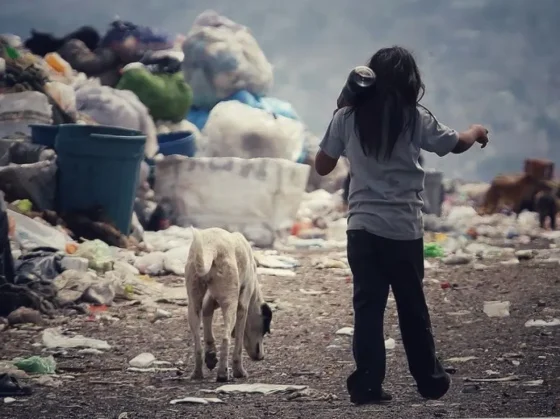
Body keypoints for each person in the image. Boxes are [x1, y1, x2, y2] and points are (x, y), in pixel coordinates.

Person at [315, 46, 489, 405]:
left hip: (361, 228)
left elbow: (322, 165)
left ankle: (366, 385)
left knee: (367, 308)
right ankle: (430, 381)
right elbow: (453, 144)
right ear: (411, 82)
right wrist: (475, 131)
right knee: (412, 307)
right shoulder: (414, 117)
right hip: (403, 229)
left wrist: (340, 108)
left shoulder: (347, 117)